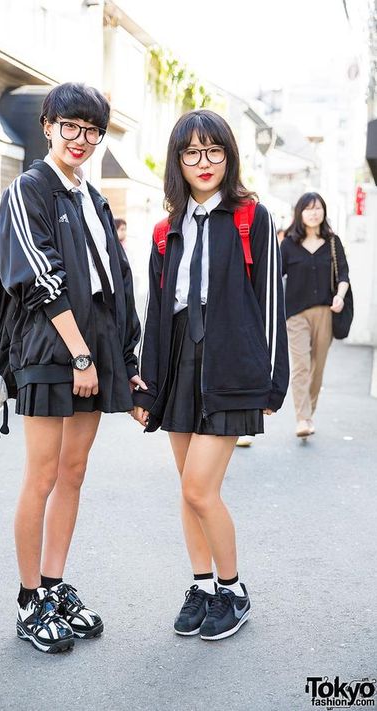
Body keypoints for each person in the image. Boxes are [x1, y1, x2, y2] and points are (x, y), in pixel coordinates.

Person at [0, 82, 144, 653]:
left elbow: (117, 283)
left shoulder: (92, 198)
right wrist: (79, 352)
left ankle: (54, 585)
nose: (80, 139)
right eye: (70, 127)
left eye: (91, 131)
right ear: (49, 125)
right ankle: (30, 598)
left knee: (74, 472)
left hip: (97, 351)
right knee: (43, 474)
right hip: (51, 349)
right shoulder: (28, 189)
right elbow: (37, 275)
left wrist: (123, 359)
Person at [133, 109, 289, 641]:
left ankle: (234, 589)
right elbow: (158, 312)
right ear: (178, 161)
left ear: (229, 155)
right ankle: (202, 586)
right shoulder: (165, 229)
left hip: (230, 362)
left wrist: (274, 379)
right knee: (187, 487)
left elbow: (269, 299)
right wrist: (147, 384)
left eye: (214, 151)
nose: (204, 162)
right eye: (192, 153)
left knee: (201, 488)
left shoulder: (251, 217)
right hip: (179, 360)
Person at [280, 192, 349, 438]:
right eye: (308, 208)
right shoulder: (288, 244)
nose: (313, 212)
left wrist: (340, 295)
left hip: (325, 312)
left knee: (316, 368)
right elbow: (276, 277)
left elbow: (343, 275)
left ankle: (309, 413)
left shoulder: (332, 241)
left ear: (323, 211)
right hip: (295, 315)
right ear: (300, 213)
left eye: (317, 208)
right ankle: (302, 418)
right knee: (300, 366)